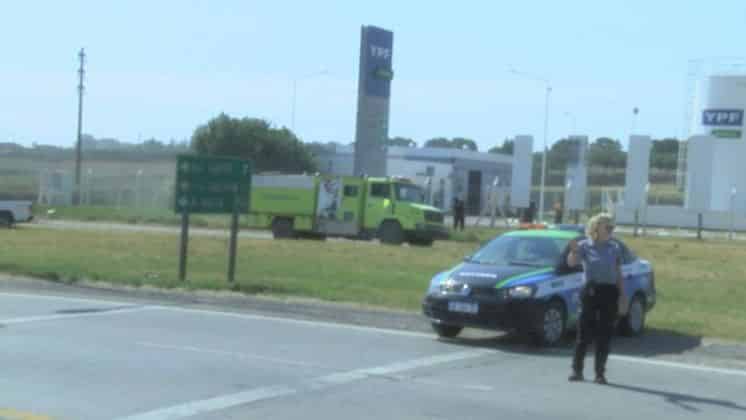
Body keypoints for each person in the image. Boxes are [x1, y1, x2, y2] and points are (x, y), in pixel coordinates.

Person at [566, 213, 626, 385]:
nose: (610, 229)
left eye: (612, 226)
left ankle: (600, 373)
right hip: (591, 291)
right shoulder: (586, 245)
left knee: (605, 334)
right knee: (584, 332)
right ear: (596, 227)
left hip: (609, 292)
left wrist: (623, 295)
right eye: (607, 225)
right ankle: (577, 370)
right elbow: (572, 262)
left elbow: (618, 273)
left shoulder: (614, 247)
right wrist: (574, 250)